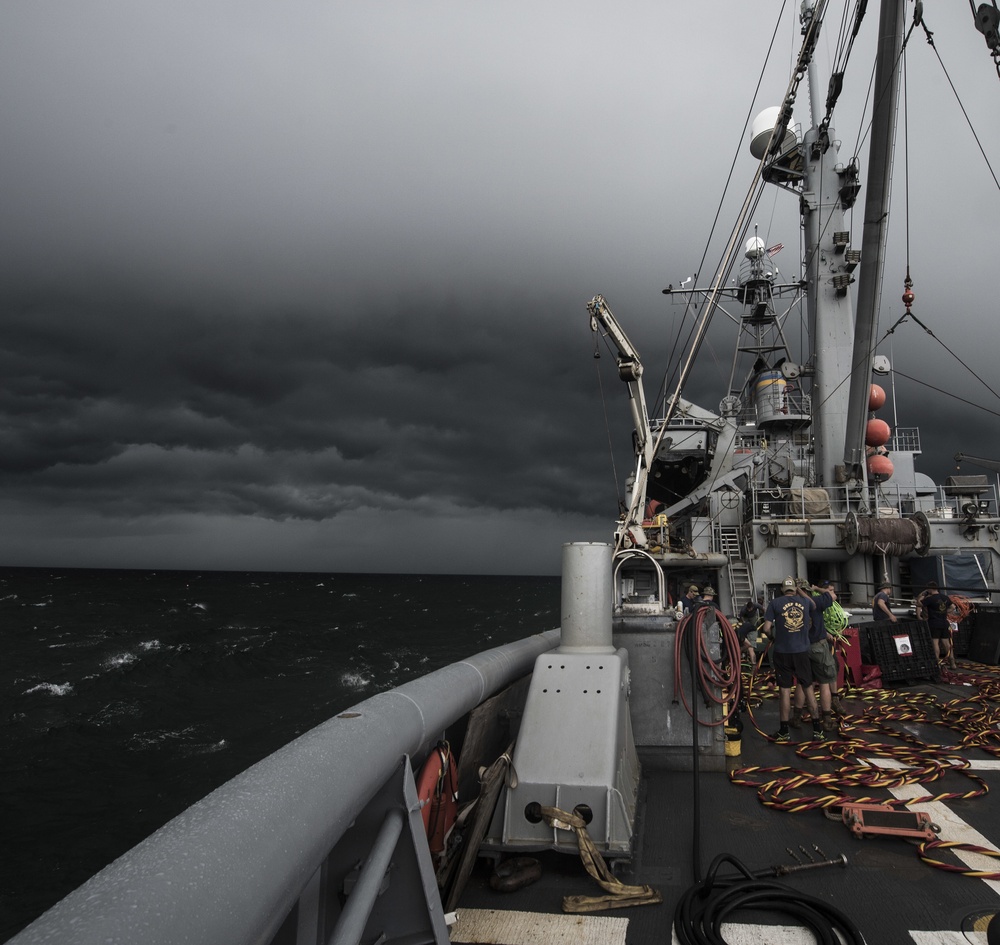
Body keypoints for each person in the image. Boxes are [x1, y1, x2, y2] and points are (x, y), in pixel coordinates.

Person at [762, 577, 823, 743]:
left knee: (784, 691)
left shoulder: (775, 604)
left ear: (782, 590)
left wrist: (773, 638)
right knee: (808, 687)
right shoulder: (804, 602)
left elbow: (766, 628)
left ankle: (784, 730)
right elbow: (814, 605)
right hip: (802, 652)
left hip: (782, 652)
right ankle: (817, 730)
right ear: (795, 589)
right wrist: (801, 592)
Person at [792, 579, 840, 731]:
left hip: (800, 648)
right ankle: (826, 720)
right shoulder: (816, 601)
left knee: (803, 683)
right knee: (824, 682)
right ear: (808, 590)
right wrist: (818, 588)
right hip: (818, 647)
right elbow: (832, 595)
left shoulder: (791, 606)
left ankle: (796, 717)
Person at [916, 581, 957, 668]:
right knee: (946, 643)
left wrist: (921, 596)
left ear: (930, 589)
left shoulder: (930, 598)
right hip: (944, 622)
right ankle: (952, 662)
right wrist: (945, 611)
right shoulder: (945, 597)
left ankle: (937, 663)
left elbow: (918, 604)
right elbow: (953, 607)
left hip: (934, 623)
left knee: (935, 643)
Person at [735, 599, 765, 663]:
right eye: (748, 609)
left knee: (750, 648)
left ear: (752, 607)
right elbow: (741, 617)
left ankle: (754, 665)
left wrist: (765, 615)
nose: (749, 610)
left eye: (750, 609)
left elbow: (748, 645)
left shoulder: (756, 605)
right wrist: (744, 622)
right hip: (746, 617)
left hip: (752, 628)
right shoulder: (743, 609)